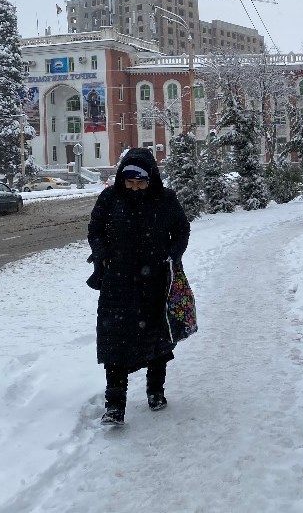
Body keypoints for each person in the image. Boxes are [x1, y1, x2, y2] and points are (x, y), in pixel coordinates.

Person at [87, 148, 190, 426]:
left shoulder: (165, 199)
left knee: (156, 340)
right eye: (129, 182)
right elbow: (94, 230)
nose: (134, 188)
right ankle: (115, 406)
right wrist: (102, 253)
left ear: (150, 179)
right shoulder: (110, 198)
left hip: (155, 282)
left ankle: (156, 391)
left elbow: (182, 230)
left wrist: (172, 254)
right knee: (115, 343)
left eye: (140, 182)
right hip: (117, 284)